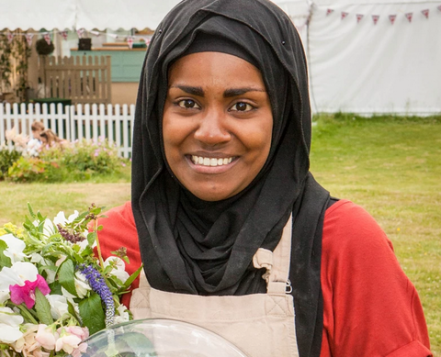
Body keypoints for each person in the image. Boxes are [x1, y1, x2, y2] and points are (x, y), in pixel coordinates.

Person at [94, 1, 432, 357]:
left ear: (283, 116)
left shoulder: (343, 243)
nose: (210, 132)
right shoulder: (108, 246)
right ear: (154, 111)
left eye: (241, 106)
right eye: (187, 103)